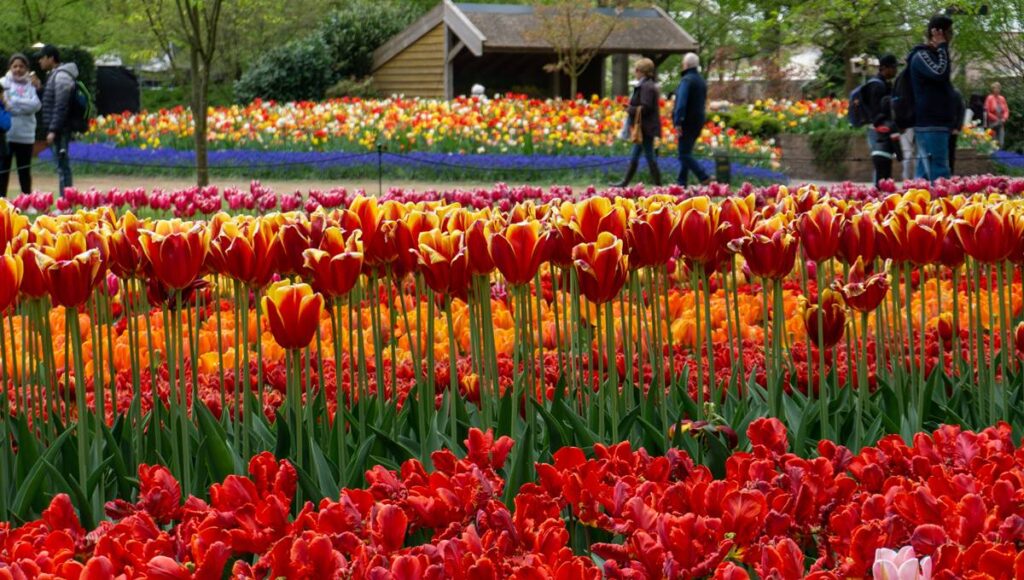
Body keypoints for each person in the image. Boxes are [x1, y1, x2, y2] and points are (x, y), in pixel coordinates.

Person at [907, 14, 957, 181]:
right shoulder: (922, 56)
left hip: (936, 123)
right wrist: (943, 47)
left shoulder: (932, 54)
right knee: (938, 173)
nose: (951, 37)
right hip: (930, 123)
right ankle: (940, 206)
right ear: (939, 33)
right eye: (950, 32)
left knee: (925, 174)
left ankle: (920, 205)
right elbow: (940, 72)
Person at [612, 58, 661, 187]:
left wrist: (630, 109)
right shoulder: (647, 85)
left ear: (642, 72)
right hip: (644, 127)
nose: (635, 73)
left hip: (645, 127)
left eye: (636, 70)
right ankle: (625, 182)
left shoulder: (646, 86)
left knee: (649, 156)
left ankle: (658, 184)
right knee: (636, 154)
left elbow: (646, 107)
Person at [36, 44, 78, 195]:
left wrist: (53, 130)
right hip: (59, 128)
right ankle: (65, 201)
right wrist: (40, 88)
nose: (40, 61)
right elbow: (51, 102)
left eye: (42, 57)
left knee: (62, 167)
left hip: (61, 130)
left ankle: (66, 202)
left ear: (51, 58)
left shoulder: (61, 76)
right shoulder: (55, 75)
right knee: (61, 166)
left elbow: (61, 105)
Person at [1, 54, 42, 196]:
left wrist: (14, 102)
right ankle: (2, 201)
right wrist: (25, 104)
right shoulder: (3, 83)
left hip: (26, 135)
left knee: (24, 170)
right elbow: (7, 107)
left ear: (27, 68)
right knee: (3, 170)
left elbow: (36, 105)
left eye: (21, 66)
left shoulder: (32, 84)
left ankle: (27, 200)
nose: (18, 69)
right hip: (7, 135)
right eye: (15, 66)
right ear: (10, 67)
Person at [672, 53, 710, 186]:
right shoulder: (701, 81)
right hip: (698, 121)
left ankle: (703, 176)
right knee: (686, 151)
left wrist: (678, 121)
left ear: (686, 65)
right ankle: (681, 182)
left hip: (686, 122)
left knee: (683, 154)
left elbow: (681, 103)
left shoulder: (686, 80)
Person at [862, 54, 899, 186]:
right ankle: (878, 197)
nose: (896, 71)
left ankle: (880, 193)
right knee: (881, 166)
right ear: (884, 68)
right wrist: (883, 122)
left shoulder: (882, 84)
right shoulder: (877, 86)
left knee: (883, 165)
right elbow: (875, 111)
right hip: (878, 129)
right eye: (894, 67)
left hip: (880, 128)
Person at [985, 82, 1010, 148]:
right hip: (992, 123)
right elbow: (987, 111)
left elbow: (1006, 110)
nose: (997, 90)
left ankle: (1000, 154)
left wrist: (1004, 118)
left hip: (1001, 122)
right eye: (995, 88)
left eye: (998, 88)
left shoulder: (1002, 98)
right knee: (993, 142)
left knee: (1001, 142)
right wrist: (995, 118)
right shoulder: (989, 98)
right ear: (992, 89)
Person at [949, 90, 965, 174]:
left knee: (951, 152)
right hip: (942, 128)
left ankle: (950, 172)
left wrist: (957, 127)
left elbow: (961, 111)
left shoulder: (956, 94)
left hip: (952, 129)